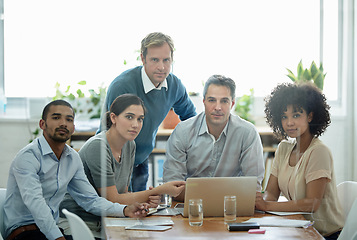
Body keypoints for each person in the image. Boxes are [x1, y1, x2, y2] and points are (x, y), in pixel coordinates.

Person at [3, 100, 148, 240]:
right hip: (24, 231)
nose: (63, 123)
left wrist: (124, 210)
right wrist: (57, 237)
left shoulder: (72, 158)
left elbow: (90, 200)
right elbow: (36, 205)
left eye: (69, 119)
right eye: (56, 117)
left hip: (52, 229)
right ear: (42, 124)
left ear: (73, 127)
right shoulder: (28, 157)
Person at [59, 94, 185, 238]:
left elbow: (122, 195)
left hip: (107, 221)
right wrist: (158, 190)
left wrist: (145, 201)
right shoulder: (98, 147)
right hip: (82, 225)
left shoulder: (129, 145)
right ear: (113, 118)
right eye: (129, 117)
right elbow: (112, 199)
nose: (135, 124)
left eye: (140, 119)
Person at [99, 32, 197, 192]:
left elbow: (191, 118)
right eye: (154, 60)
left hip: (141, 158)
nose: (162, 67)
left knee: (139, 212)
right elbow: (113, 134)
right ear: (143, 59)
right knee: (119, 210)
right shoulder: (123, 86)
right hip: (113, 159)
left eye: (166, 60)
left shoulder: (174, 85)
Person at [255, 83, 344, 239]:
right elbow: (271, 193)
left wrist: (266, 205)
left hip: (325, 235)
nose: (289, 122)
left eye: (296, 115)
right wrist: (258, 202)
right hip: (298, 229)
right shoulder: (283, 148)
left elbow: (312, 204)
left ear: (310, 116)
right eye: (284, 116)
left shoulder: (318, 152)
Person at [163, 75, 265, 201]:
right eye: (212, 100)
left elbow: (253, 187)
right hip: (191, 206)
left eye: (224, 101)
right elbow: (172, 186)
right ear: (204, 101)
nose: (218, 107)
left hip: (233, 208)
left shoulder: (248, 133)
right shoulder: (182, 132)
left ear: (232, 103)